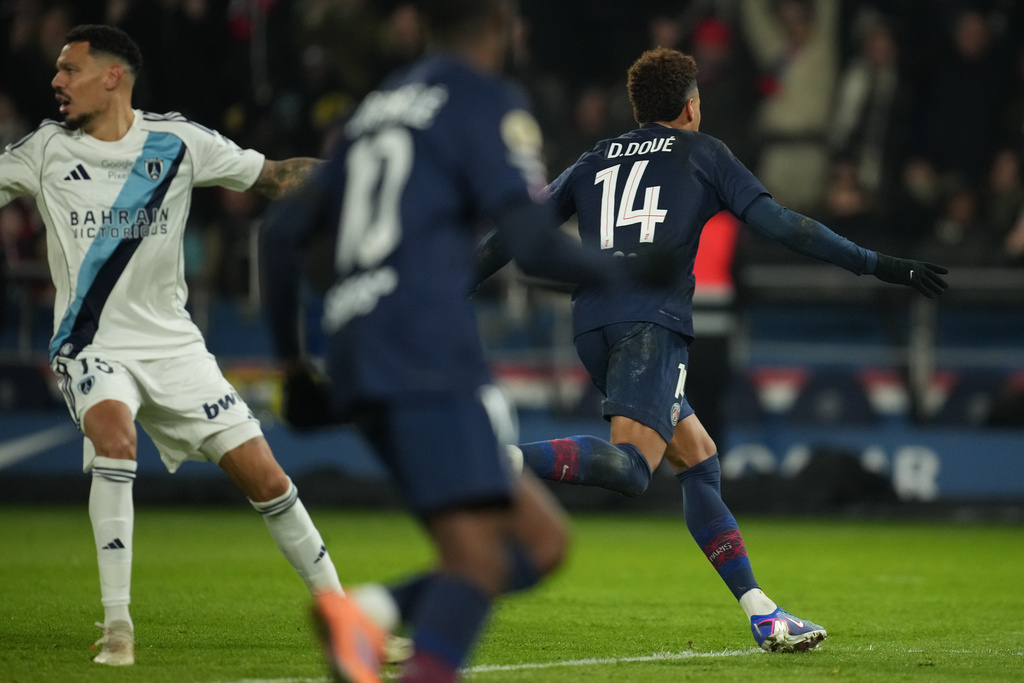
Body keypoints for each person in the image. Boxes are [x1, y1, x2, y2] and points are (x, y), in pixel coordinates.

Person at [475, 46, 949, 653]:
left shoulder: (595, 157)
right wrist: (878, 265)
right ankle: (494, 461)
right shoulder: (703, 152)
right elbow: (785, 226)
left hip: (593, 325)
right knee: (631, 469)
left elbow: (515, 235)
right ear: (692, 106)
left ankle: (763, 614)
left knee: (698, 460)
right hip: (651, 325)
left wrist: (448, 288)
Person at [259, 1, 660, 681]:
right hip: (425, 348)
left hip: (357, 348)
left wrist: (295, 368)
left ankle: (371, 609)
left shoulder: (377, 109)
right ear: (503, 22)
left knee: (541, 541)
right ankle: (378, 626)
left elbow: (277, 235)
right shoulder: (483, 99)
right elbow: (533, 247)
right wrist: (626, 270)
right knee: (481, 560)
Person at [0, 24, 409, 668]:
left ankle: (345, 615)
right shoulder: (43, 151)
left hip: (175, 348)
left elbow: (274, 177)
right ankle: (117, 627)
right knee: (115, 439)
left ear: (113, 76)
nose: (55, 81)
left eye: (69, 69)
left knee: (270, 480)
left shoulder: (178, 142)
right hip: (90, 343)